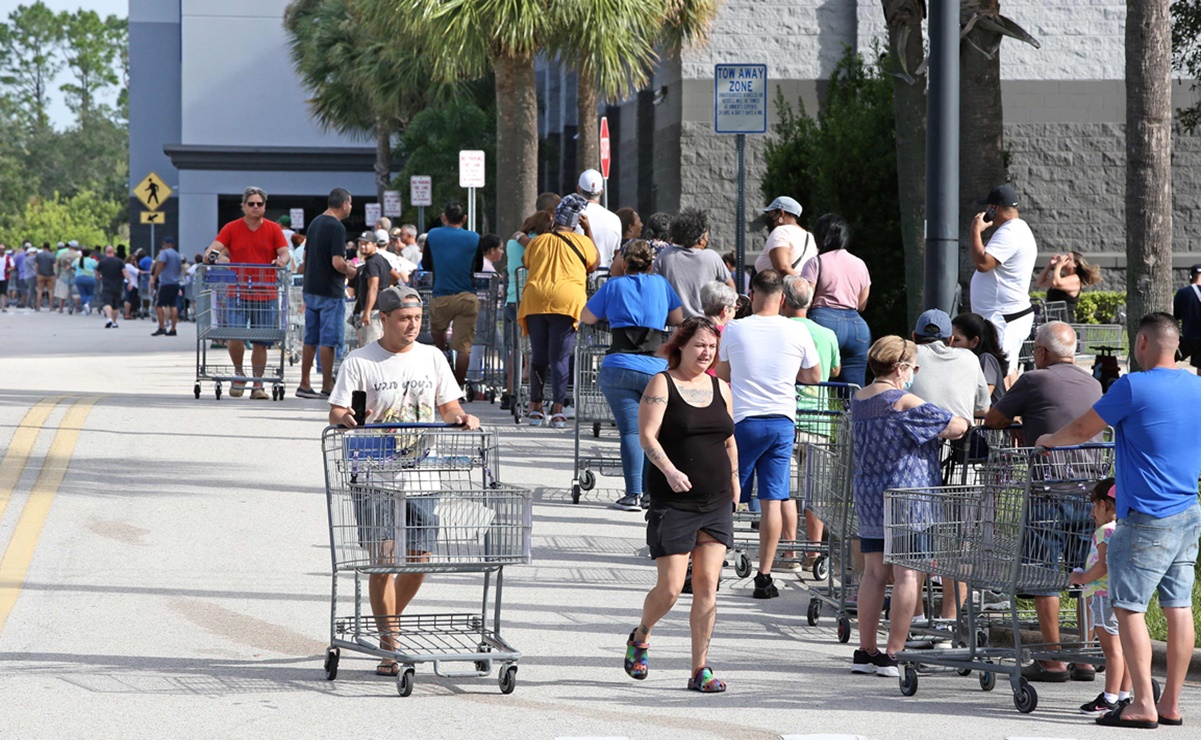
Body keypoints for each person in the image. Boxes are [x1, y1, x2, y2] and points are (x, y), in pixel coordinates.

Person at [1036, 313, 1201, 729]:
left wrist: (1048, 441)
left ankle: (1142, 703)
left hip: (1146, 514)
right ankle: (1171, 704)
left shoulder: (1133, 385)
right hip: (1188, 509)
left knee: (1128, 608)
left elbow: (1082, 428)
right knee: (1179, 606)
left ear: (1142, 343)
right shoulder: (1197, 386)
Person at [327, 285, 480, 677]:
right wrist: (346, 419)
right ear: (384, 320)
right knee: (383, 559)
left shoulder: (432, 357)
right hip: (375, 473)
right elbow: (338, 411)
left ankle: (388, 622)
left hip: (422, 473)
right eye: (404, 319)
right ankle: (390, 645)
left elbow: (448, 406)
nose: (412, 325)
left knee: (419, 561)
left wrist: (462, 418)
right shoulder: (361, 361)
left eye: (416, 318)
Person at [983, 320, 1102, 682]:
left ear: (1041, 353)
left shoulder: (1035, 380)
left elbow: (993, 418)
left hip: (1048, 489)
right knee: (1084, 574)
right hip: (1089, 491)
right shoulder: (1094, 383)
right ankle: (1084, 654)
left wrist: (1022, 421)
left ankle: (1053, 660)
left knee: (1044, 574)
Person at [626, 316, 737, 693]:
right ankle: (642, 634)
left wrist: (735, 478)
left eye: (711, 347)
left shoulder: (721, 387)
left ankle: (699, 669)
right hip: (674, 500)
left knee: (708, 586)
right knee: (672, 588)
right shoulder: (663, 383)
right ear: (681, 346)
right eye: (699, 346)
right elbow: (646, 435)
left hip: (717, 500)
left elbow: (728, 437)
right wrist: (670, 471)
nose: (706, 353)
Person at [850, 336, 969, 677]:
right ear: (901, 368)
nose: (914, 373)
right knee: (907, 573)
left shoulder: (859, 399)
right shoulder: (901, 400)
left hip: (870, 494)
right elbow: (954, 426)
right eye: (914, 367)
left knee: (873, 573)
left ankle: (866, 650)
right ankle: (893, 653)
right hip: (907, 497)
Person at [716, 269, 821, 599]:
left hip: (745, 419)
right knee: (773, 499)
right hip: (782, 420)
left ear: (752, 292)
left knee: (727, 494)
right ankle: (764, 575)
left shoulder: (734, 328)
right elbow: (815, 376)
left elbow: (722, 373)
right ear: (784, 298)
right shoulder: (797, 331)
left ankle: (713, 563)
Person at [581, 239, 684, 511]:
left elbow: (587, 317)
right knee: (652, 431)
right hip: (655, 367)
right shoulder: (661, 284)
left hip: (619, 365)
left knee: (630, 431)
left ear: (624, 263)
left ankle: (632, 494)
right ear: (651, 264)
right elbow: (677, 318)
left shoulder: (613, 285)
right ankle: (652, 492)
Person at [518, 194, 599, 428]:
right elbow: (593, 265)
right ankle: (558, 410)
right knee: (560, 358)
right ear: (576, 223)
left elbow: (527, 263)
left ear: (554, 222)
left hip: (536, 300)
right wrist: (588, 231)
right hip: (567, 302)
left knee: (539, 356)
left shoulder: (538, 241)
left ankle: (536, 407)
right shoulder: (582, 242)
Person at [203, 186, 291, 400]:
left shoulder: (273, 229)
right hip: (238, 291)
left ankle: (258, 383)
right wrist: (216, 257)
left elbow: (285, 252)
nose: (255, 207)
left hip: (266, 291)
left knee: (261, 340)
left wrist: (281, 261)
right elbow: (213, 250)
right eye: (251, 203)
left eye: (259, 204)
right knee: (235, 336)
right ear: (243, 206)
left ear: (264, 206)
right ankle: (239, 374)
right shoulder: (232, 228)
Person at [782, 275, 841, 564]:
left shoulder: (778, 329)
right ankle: (814, 551)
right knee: (816, 492)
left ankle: (790, 549)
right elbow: (836, 369)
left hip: (788, 417)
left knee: (787, 491)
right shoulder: (827, 334)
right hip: (820, 420)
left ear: (783, 299)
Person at [1068, 479, 1132, 715]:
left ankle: (1109, 698)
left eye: (1094, 506)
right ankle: (1124, 696)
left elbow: (1103, 565)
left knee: (1111, 650)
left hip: (1104, 596)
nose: (1092, 513)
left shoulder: (1105, 531)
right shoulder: (1125, 527)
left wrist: (1081, 579)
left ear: (1105, 505)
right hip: (1121, 595)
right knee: (1125, 650)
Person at [969, 184, 1038, 379]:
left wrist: (975, 230)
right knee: (1005, 370)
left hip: (1004, 318)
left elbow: (983, 263)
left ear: (994, 208)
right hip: (1003, 316)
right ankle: (1004, 409)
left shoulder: (1010, 232)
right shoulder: (1016, 229)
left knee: (1002, 373)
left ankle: (1005, 410)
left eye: (988, 207)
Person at [296, 188, 356, 399]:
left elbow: (304, 257)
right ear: (345, 203)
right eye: (350, 203)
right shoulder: (336, 227)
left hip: (311, 288)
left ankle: (304, 383)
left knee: (310, 338)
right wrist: (351, 270)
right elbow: (337, 263)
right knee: (328, 340)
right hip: (330, 291)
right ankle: (327, 385)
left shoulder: (315, 223)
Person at [801, 214, 872, 387]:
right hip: (857, 327)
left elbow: (804, 299)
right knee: (853, 392)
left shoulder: (815, 263)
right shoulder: (860, 263)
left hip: (823, 321)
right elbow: (862, 304)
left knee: (816, 383)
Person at [502, 210, 554, 410]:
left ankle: (510, 392)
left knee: (516, 347)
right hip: (533, 300)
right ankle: (532, 382)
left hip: (512, 299)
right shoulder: (545, 244)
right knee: (536, 347)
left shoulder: (512, 243)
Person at [426, 202, 481, 387]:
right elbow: (478, 266)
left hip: (441, 294)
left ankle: (443, 351)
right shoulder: (474, 238)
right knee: (464, 348)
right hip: (467, 296)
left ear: (444, 217)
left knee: (437, 331)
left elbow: (426, 264)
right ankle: (458, 387)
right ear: (464, 219)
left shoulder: (433, 235)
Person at [654, 208, 735, 318]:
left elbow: (653, 285)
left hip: (674, 325)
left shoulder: (666, 255)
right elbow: (731, 287)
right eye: (706, 235)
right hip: (705, 322)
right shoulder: (712, 257)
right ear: (700, 239)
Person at [950, 312, 1009, 405]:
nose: (951, 344)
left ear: (974, 341)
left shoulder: (986, 359)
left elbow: (983, 398)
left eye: (956, 340)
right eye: (949, 339)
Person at [754, 196, 814, 277]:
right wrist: (805, 287)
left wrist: (798, 284)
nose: (771, 217)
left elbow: (783, 268)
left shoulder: (780, 232)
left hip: (782, 288)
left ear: (781, 213)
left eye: (772, 214)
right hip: (804, 287)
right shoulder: (809, 236)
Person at [351, 230, 393, 348]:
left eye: (366, 243)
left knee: (371, 347)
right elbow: (395, 276)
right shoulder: (382, 259)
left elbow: (373, 287)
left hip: (373, 311)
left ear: (374, 245)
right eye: (361, 244)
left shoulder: (372, 263)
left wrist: (367, 312)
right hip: (380, 308)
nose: (363, 246)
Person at [1035, 251, 1102, 322]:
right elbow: (1040, 283)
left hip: (1064, 324)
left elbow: (1056, 283)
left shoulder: (1076, 279)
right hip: (1051, 321)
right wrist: (1050, 265)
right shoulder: (1061, 278)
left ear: (1075, 264)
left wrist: (1059, 265)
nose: (1064, 260)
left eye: (1068, 259)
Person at [575, 169, 622, 268]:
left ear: (579, 188)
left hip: (577, 277)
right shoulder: (615, 219)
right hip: (605, 278)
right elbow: (616, 253)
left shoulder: (572, 217)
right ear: (601, 191)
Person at [150, 237, 183, 336]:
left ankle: (162, 327)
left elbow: (161, 264)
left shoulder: (164, 253)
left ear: (165, 244)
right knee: (173, 305)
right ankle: (173, 329)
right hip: (175, 283)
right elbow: (180, 269)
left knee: (158, 304)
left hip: (165, 283)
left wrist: (154, 277)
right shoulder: (177, 255)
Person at [1172, 264, 1201, 374]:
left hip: (1189, 337)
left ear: (1191, 276)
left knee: (1168, 359)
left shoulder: (1183, 293)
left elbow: (1176, 316)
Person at [606, 207, 642, 277]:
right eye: (639, 221)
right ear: (630, 227)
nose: (642, 225)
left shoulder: (612, 245)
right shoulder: (635, 248)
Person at [95, 245, 125, 328]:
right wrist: (129, 281)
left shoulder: (102, 262)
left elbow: (97, 272)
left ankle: (109, 318)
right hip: (118, 285)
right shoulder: (119, 261)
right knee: (116, 305)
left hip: (106, 285)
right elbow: (125, 272)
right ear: (113, 252)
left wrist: (99, 277)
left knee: (107, 303)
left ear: (105, 252)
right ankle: (114, 322)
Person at [34, 243, 56, 311]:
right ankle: (51, 307)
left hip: (41, 275)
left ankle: (38, 307)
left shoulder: (39, 255)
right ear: (49, 247)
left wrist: (37, 273)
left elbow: (36, 265)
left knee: (40, 291)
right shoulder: (52, 255)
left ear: (43, 247)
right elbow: (54, 266)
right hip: (50, 275)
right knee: (51, 291)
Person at [122, 254, 141, 320]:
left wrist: (136, 265)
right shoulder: (128, 266)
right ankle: (127, 314)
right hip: (130, 283)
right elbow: (138, 272)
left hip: (133, 284)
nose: (133, 261)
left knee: (132, 299)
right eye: (132, 260)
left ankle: (129, 313)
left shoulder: (131, 266)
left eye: (134, 260)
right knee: (129, 299)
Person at [0, 243, 11, 312]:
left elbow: (13, 266)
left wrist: (9, 269)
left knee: (4, 292)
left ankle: (3, 306)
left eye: (3, 249)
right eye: (0, 249)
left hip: (4, 277)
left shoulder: (8, 257)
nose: (1, 250)